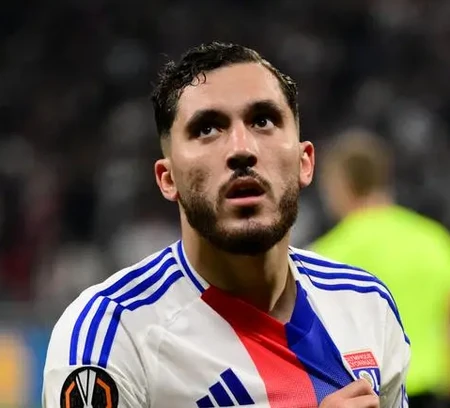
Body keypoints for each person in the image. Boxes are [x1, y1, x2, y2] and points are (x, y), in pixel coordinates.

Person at [42, 42, 409, 408]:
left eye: (263, 121)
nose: (241, 148)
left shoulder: (366, 304)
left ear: (304, 162)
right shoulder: (112, 337)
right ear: (168, 178)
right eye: (207, 129)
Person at [311, 128, 450, 408]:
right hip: (433, 393)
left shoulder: (325, 257)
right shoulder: (434, 240)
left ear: (341, 184)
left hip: (370, 395)